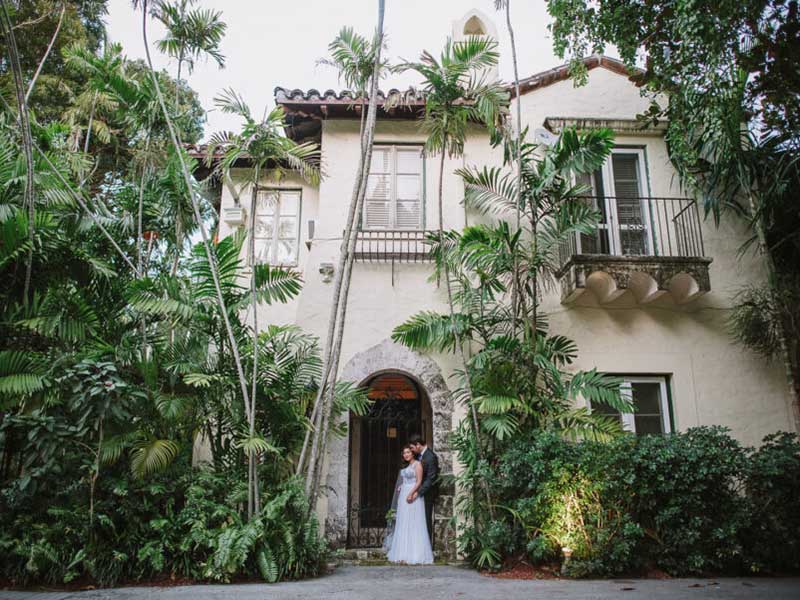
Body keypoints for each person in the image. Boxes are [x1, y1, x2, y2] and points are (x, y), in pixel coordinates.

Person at [384, 445, 434, 564]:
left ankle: (415, 553)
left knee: (414, 522)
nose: (406, 455)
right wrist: (403, 486)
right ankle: (402, 553)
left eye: (408, 452)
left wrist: (411, 493)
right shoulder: (406, 466)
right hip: (404, 494)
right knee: (403, 521)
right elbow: (406, 479)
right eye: (404, 453)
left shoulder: (418, 464)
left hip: (412, 495)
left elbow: (419, 481)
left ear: (412, 453)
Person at [408, 433, 439, 542]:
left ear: (418, 445)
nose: (411, 451)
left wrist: (418, 492)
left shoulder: (430, 457)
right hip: (420, 493)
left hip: (427, 494)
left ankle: (427, 547)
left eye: (412, 448)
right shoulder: (420, 456)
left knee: (426, 520)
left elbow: (431, 478)